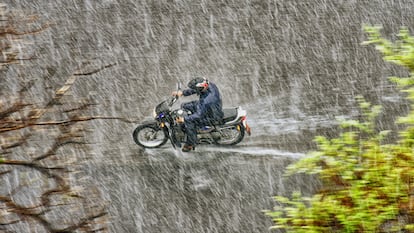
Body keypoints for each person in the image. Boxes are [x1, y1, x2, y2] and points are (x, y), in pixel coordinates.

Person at [172, 77, 224, 152]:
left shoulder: (207, 100)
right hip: (209, 107)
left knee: (189, 123)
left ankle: (191, 143)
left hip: (211, 115)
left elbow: (199, 115)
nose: (195, 90)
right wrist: (183, 93)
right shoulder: (209, 85)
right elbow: (195, 90)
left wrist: (184, 119)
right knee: (184, 105)